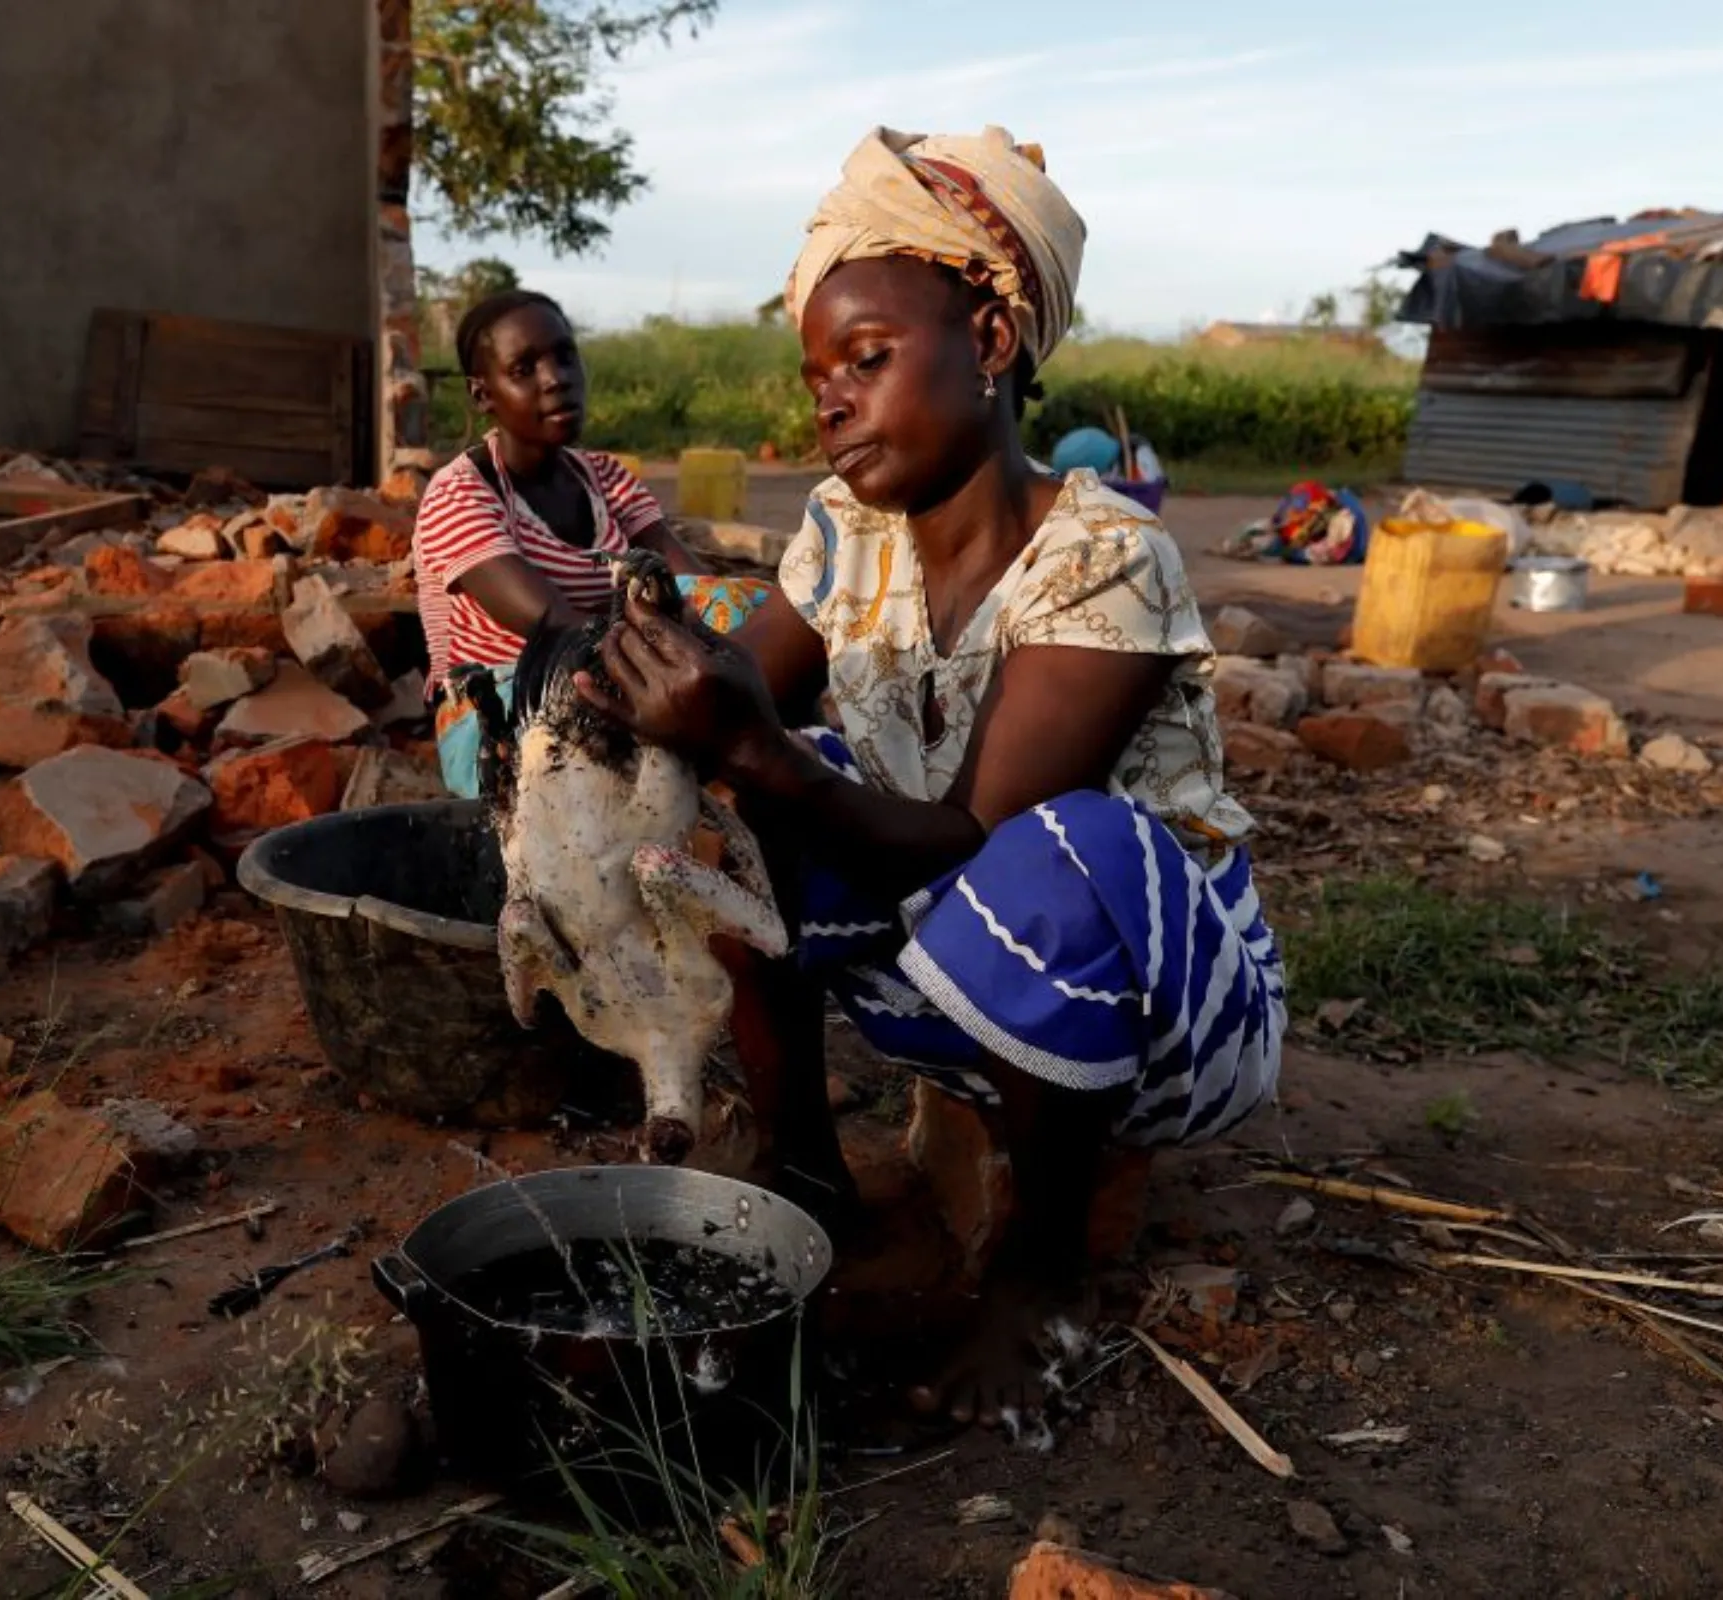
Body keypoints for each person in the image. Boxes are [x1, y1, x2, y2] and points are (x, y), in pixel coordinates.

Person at [570, 127, 1284, 1424]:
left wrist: (744, 739)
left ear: (994, 344)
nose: (829, 398)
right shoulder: (850, 532)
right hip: (948, 983)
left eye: (867, 357)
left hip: (1164, 1019)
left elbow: (974, 835)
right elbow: (750, 695)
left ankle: (1045, 1282)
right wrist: (633, 686)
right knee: (732, 825)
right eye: (817, 372)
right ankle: (801, 1177)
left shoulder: (1106, 555)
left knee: (1064, 848)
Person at [414, 289, 768, 796]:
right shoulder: (461, 493)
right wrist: (700, 664)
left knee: (762, 609)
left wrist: (724, 638)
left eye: (564, 356)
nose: (555, 379)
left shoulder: (603, 476)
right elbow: (555, 628)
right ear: (481, 394)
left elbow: (693, 587)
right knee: (716, 674)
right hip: (510, 710)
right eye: (524, 368)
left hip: (624, 671)